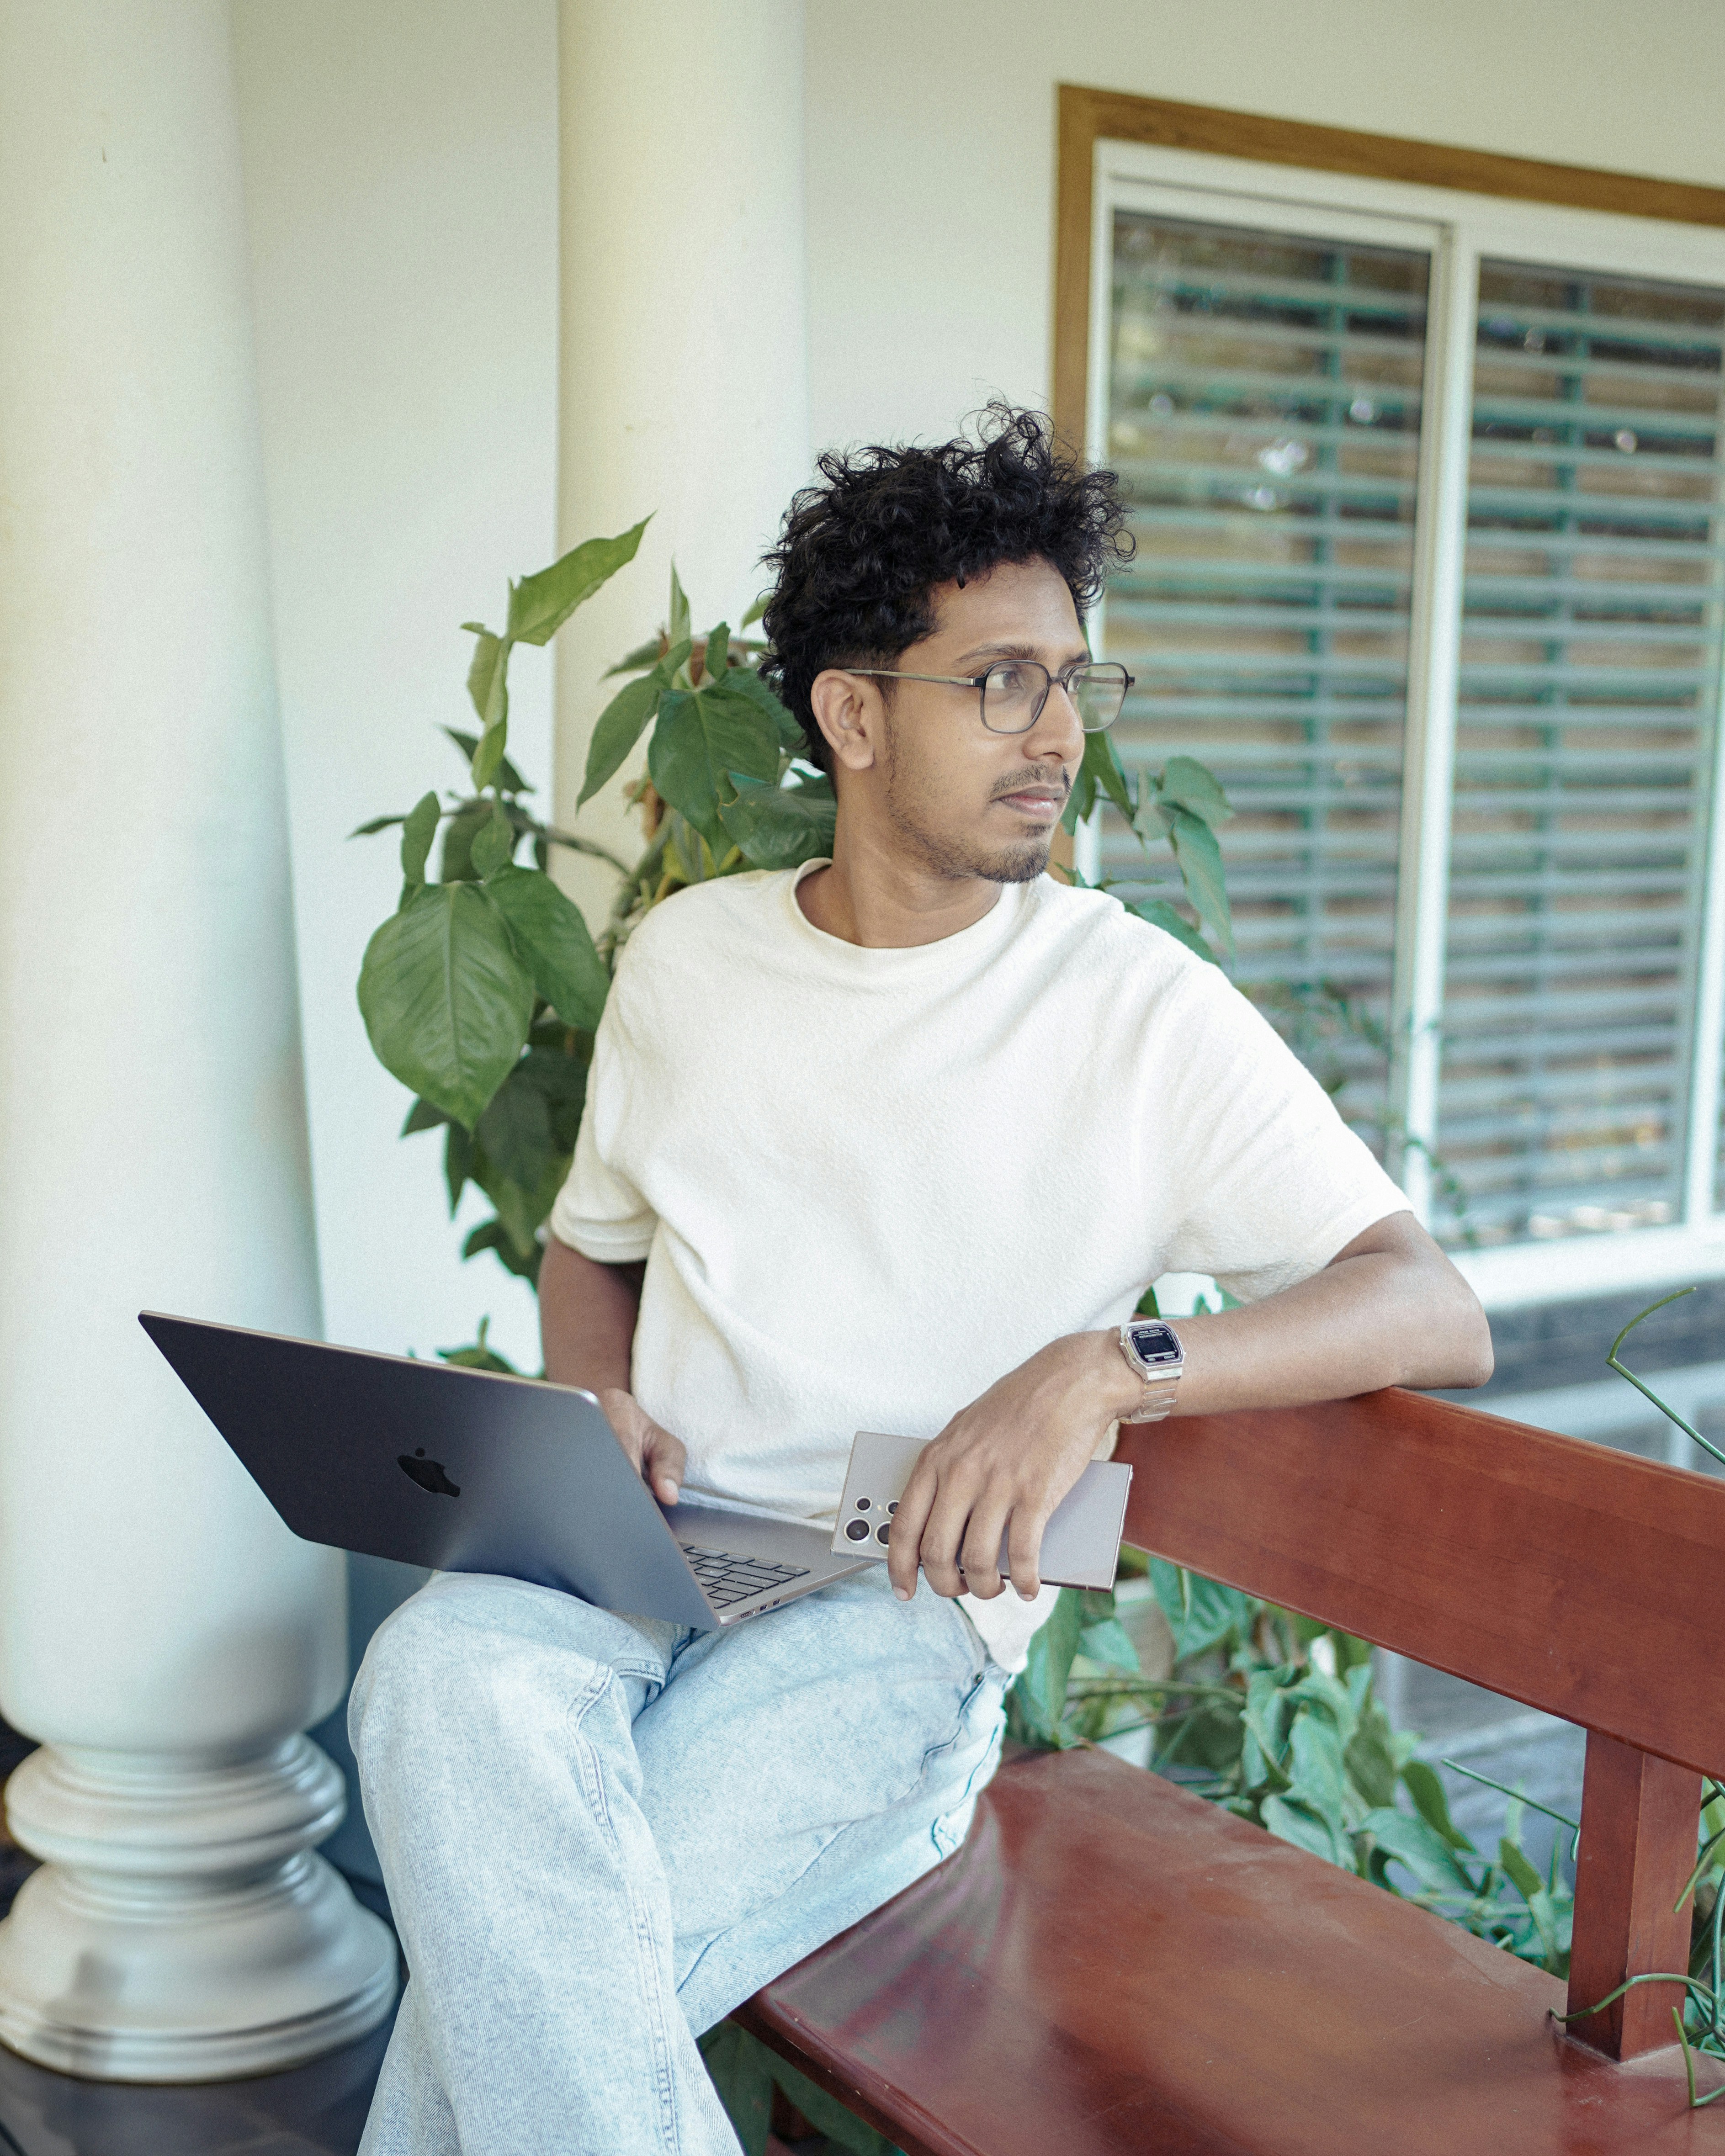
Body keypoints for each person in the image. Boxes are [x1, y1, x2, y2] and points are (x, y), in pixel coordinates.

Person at [350, 408, 1492, 2155]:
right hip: (639, 1547)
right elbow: (593, 1243)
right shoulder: (691, 961)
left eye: (1074, 686)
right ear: (854, 713)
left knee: (525, 1960)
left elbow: (1431, 1304)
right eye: (1004, 682)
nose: (1058, 737)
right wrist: (598, 1395)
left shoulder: (1137, 1009)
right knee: (429, 1676)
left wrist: (1107, 1367)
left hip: (892, 1608)